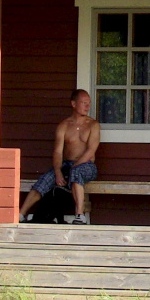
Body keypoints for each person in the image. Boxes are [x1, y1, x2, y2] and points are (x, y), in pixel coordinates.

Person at [19, 89, 101, 225]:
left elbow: (91, 150)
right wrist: (58, 172)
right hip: (65, 164)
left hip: (87, 165)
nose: (88, 106)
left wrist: (74, 166)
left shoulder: (93, 125)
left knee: (76, 172)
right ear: (74, 104)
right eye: (84, 103)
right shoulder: (63, 126)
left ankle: (79, 215)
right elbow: (57, 152)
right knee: (45, 179)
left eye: (89, 103)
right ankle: (21, 214)